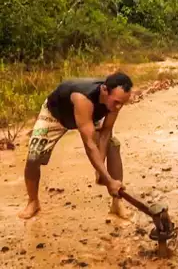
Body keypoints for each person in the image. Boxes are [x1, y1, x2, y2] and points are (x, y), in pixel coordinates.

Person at [19, 72, 133, 220]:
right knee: (34, 156)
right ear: (104, 90)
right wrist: (107, 178)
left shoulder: (115, 101)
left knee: (113, 145)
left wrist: (102, 172)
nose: (118, 107)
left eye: (122, 103)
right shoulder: (83, 98)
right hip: (56, 116)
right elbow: (89, 144)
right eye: (116, 102)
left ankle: (117, 203)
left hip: (87, 118)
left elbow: (105, 133)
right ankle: (33, 202)